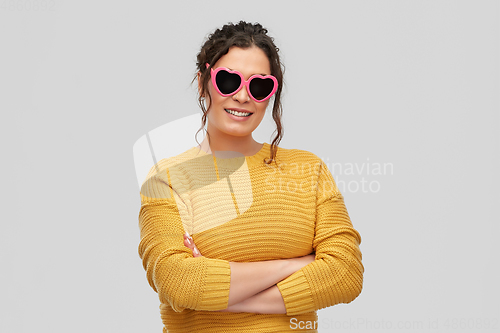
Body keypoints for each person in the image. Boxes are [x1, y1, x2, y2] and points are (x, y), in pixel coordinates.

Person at [138, 21, 364, 333]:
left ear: (270, 94)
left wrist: (227, 296)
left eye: (259, 86)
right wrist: (296, 264)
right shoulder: (168, 178)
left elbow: (345, 274)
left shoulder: (308, 170)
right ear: (204, 82)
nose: (243, 96)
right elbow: (179, 282)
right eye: (228, 81)